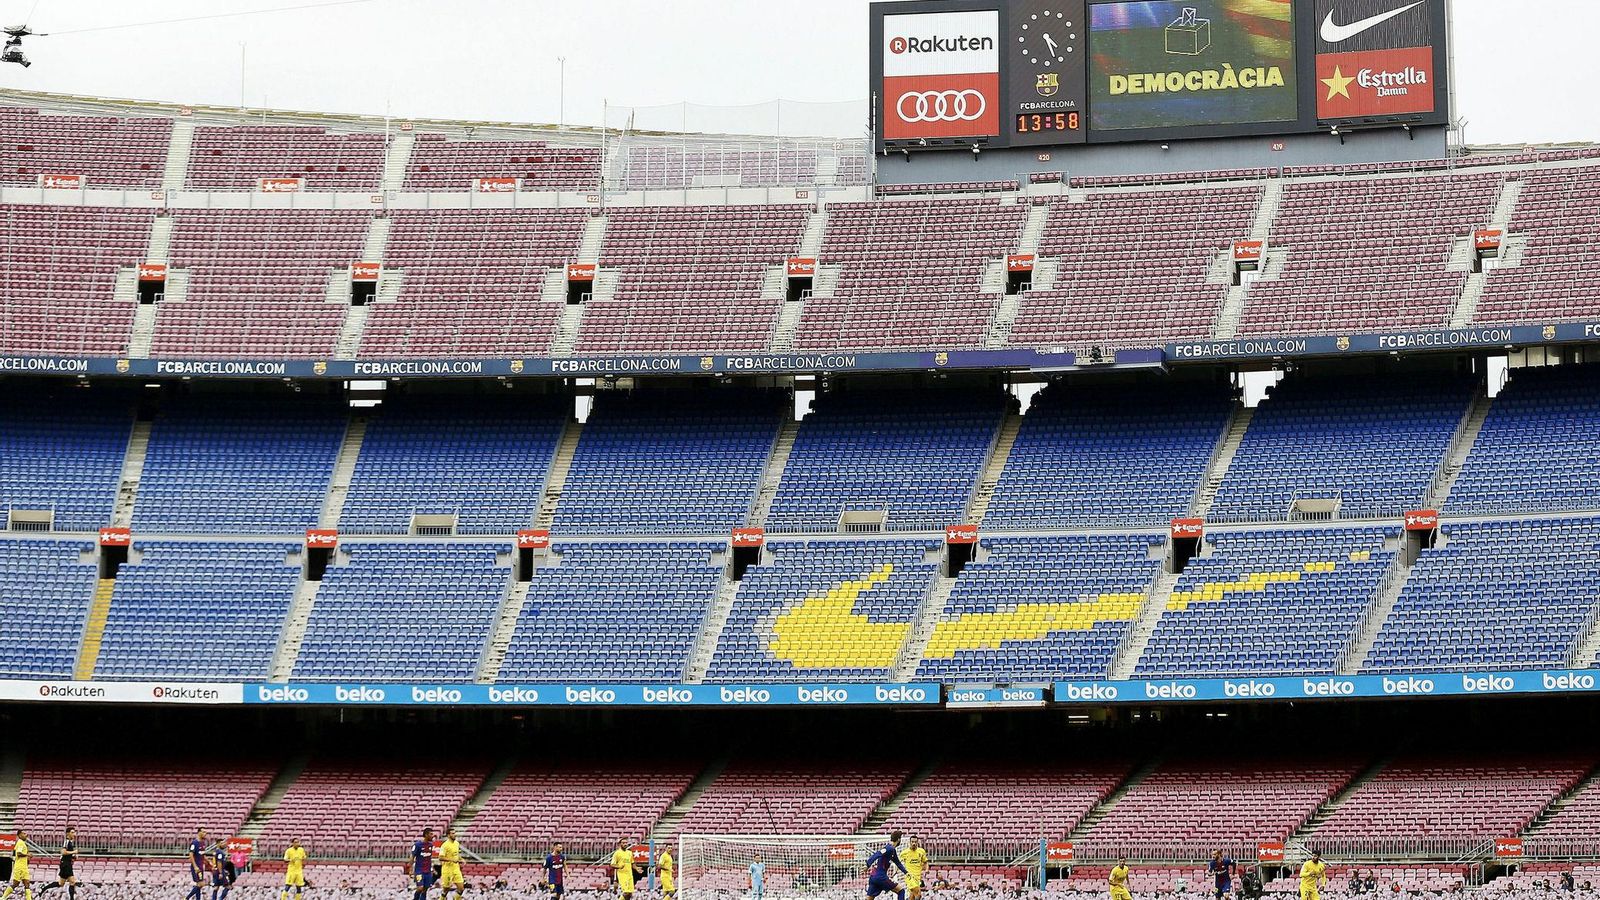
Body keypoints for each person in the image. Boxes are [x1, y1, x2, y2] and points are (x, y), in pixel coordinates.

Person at [34, 827, 76, 900]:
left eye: (74, 832)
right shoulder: (66, 841)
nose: (74, 834)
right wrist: (74, 852)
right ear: (68, 833)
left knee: (62, 883)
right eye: (72, 832)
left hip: (67, 863)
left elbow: (66, 854)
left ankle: (43, 888)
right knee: (72, 882)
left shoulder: (70, 842)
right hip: (65, 864)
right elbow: (63, 852)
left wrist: (73, 857)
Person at [864, 832, 907, 900]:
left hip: (873, 877)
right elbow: (878, 853)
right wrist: (867, 864)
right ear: (899, 839)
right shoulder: (889, 848)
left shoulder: (892, 851)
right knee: (901, 891)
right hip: (881, 877)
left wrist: (906, 873)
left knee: (869, 898)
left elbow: (898, 863)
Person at [1, 829, 31, 900]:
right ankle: (3, 897)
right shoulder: (20, 842)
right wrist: (27, 855)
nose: (26, 835)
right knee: (15, 883)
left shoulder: (23, 843)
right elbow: (19, 854)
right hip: (19, 867)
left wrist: (27, 860)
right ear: (19, 835)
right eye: (24, 834)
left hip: (24, 867)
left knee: (27, 883)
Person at [437, 829, 465, 900]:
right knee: (446, 889)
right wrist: (452, 860)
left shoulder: (456, 843)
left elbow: (456, 854)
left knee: (461, 888)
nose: (454, 834)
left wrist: (461, 859)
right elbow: (440, 857)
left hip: (456, 869)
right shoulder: (445, 845)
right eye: (452, 833)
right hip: (447, 870)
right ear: (448, 835)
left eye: (455, 833)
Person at [412, 829, 437, 900]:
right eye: (431, 834)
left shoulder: (431, 845)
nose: (433, 836)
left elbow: (429, 858)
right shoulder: (417, 845)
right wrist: (411, 870)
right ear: (426, 835)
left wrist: (433, 868)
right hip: (419, 871)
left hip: (428, 871)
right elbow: (412, 857)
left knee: (425, 889)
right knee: (420, 888)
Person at [185, 829, 209, 900]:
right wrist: (195, 866)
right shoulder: (194, 843)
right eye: (204, 832)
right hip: (196, 867)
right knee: (201, 884)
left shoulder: (203, 843)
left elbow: (202, 854)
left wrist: (208, 861)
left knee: (199, 885)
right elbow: (191, 855)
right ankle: (186, 898)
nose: (205, 834)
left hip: (201, 866)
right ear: (199, 832)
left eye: (206, 832)